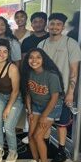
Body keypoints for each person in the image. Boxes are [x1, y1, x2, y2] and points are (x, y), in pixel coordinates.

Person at [37, 13, 81, 162]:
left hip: (62, 92)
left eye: (58, 24)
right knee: (46, 120)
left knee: (62, 123)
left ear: (63, 27)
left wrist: (71, 92)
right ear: (47, 25)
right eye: (52, 24)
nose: (55, 27)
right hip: (44, 91)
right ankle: (47, 146)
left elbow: (74, 70)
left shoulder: (71, 43)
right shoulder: (41, 45)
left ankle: (61, 151)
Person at [21, 48, 64, 162]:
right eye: (31, 57)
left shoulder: (51, 75)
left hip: (52, 107)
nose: (34, 60)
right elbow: (28, 93)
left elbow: (55, 97)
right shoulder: (28, 73)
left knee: (38, 136)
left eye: (38, 57)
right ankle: (36, 161)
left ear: (43, 59)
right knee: (30, 135)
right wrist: (29, 110)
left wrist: (44, 116)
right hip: (36, 106)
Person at [0, 38, 23, 162]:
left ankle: (13, 150)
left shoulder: (12, 68)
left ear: (8, 54)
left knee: (8, 126)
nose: (1, 54)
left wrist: (8, 108)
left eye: (5, 52)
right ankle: (0, 148)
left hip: (15, 98)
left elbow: (16, 91)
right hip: (1, 96)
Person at [20, 12, 49, 144]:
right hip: (30, 76)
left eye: (40, 21)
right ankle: (31, 133)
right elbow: (24, 59)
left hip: (46, 77)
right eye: (35, 22)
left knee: (45, 105)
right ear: (31, 24)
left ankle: (43, 135)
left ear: (45, 23)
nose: (38, 24)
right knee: (30, 105)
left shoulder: (49, 38)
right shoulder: (27, 41)